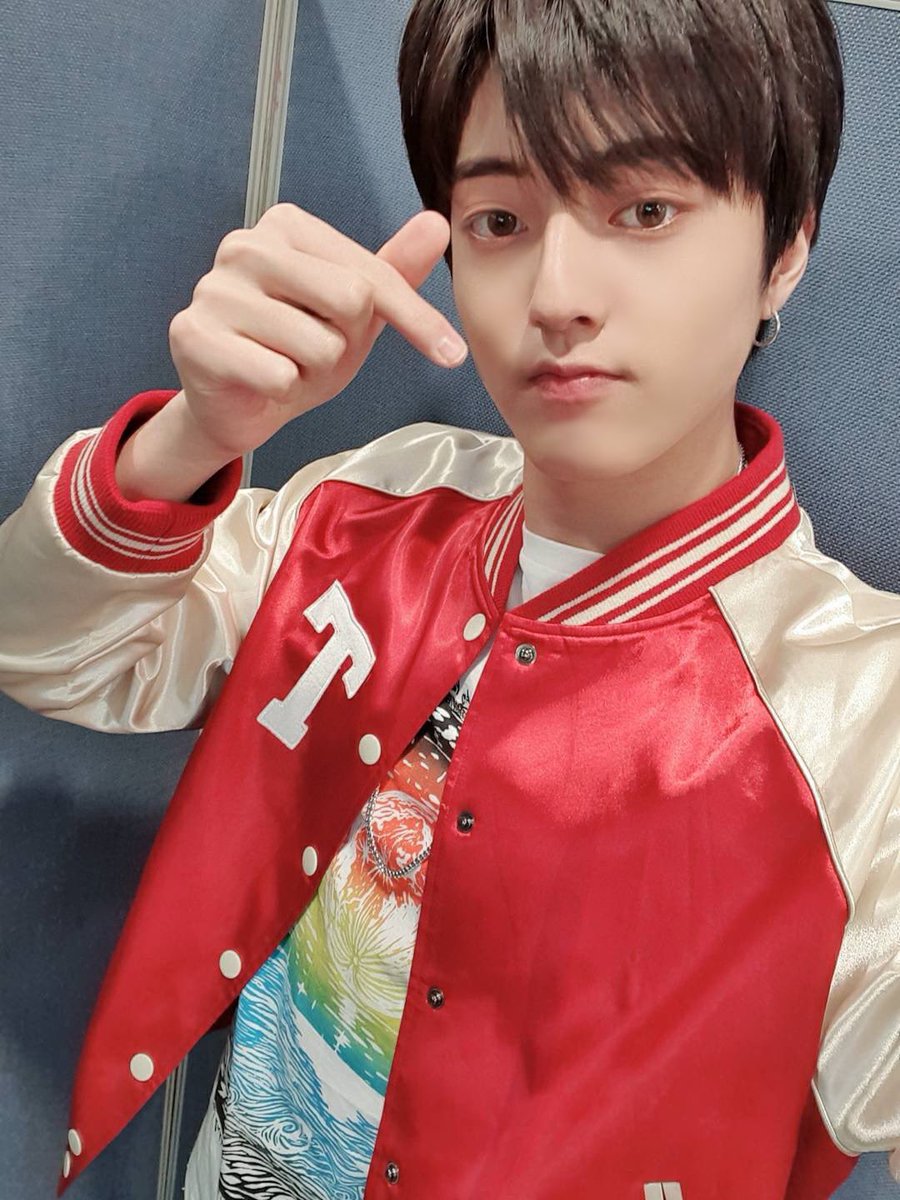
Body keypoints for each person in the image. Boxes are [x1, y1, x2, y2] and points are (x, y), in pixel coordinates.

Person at [0, 0, 897, 1197]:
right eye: (500, 220)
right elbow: (44, 644)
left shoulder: (860, 719)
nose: (557, 294)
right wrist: (196, 437)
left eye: (645, 210)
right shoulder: (376, 508)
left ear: (785, 245)